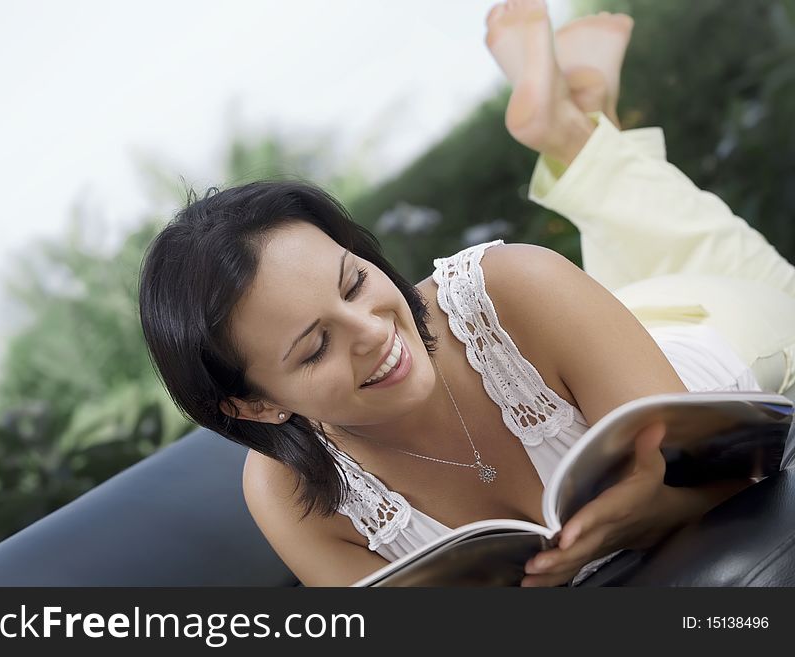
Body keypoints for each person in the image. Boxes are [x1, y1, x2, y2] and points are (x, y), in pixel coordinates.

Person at [137, 1, 795, 587]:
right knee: (626, 266)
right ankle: (582, 125)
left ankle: (574, 132)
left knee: (737, 270)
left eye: (356, 281)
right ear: (252, 404)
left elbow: (737, 472)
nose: (370, 330)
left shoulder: (509, 285)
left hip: (717, 333)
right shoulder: (291, 493)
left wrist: (655, 510)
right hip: (589, 342)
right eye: (315, 347)